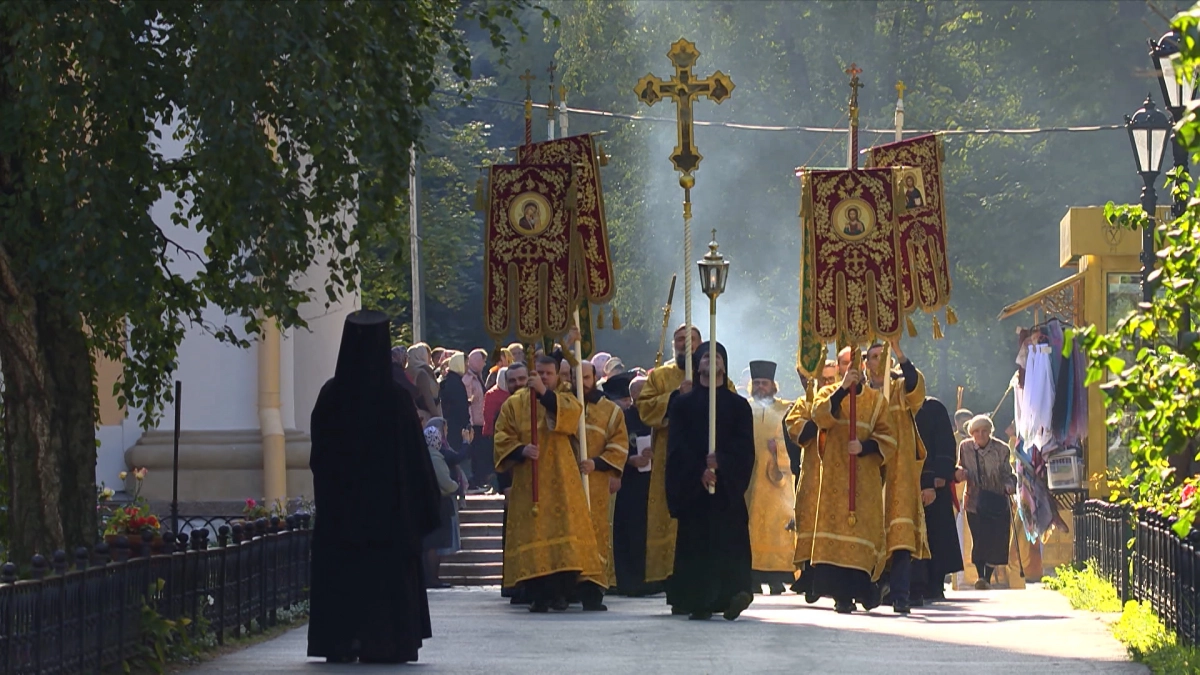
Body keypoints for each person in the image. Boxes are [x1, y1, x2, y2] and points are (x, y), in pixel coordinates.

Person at [308, 310, 439, 664]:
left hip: (342, 519)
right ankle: (386, 643)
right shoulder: (396, 400)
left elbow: (318, 458)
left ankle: (342, 641)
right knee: (386, 584)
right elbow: (416, 462)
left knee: (344, 576)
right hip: (390, 521)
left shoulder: (331, 396)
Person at [493, 355, 603, 612]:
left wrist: (544, 394)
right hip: (529, 483)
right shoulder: (514, 404)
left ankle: (562, 594)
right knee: (534, 537)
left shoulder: (567, 399)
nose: (542, 377)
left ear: (557, 376)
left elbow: (572, 419)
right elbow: (501, 437)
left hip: (562, 483)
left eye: (548, 374)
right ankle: (538, 595)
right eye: (538, 373)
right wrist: (520, 450)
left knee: (564, 536)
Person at [665, 341, 755, 621]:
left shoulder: (739, 406)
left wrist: (723, 464)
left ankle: (734, 596)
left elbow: (745, 448)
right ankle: (699, 601)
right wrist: (698, 471)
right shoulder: (682, 405)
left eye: (716, 356)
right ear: (697, 365)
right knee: (697, 545)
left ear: (724, 365)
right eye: (705, 356)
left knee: (731, 541)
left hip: (726, 491)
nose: (711, 360)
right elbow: (677, 448)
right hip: (696, 493)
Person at [808, 363, 896, 614]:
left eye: (856, 366)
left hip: (864, 479)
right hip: (835, 480)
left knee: (861, 536)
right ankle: (841, 596)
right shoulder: (828, 393)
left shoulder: (876, 400)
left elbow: (889, 437)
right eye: (847, 366)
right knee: (835, 535)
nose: (853, 370)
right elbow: (820, 416)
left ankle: (864, 590)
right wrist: (843, 390)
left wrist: (866, 447)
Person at [637, 324, 707, 606]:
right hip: (671, 458)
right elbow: (645, 409)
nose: (684, 345)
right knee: (670, 522)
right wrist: (676, 395)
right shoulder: (661, 376)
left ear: (700, 344)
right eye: (679, 340)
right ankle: (672, 585)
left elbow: (725, 404)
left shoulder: (714, 375)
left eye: (689, 340)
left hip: (703, 459)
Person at [866, 340, 928, 615]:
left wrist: (901, 354)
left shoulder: (901, 389)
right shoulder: (862, 393)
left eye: (883, 355)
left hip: (899, 474)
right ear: (865, 362)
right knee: (870, 535)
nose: (878, 361)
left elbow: (917, 389)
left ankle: (901, 595)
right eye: (873, 357)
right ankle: (873, 589)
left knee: (901, 536)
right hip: (870, 470)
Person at [576, 360, 630, 597]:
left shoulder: (611, 411)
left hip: (597, 482)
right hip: (567, 482)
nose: (581, 384)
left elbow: (619, 445)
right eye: (576, 378)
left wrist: (596, 463)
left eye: (586, 378)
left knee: (597, 531)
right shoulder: (564, 406)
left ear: (595, 378)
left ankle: (594, 586)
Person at [745, 360, 796, 596]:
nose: (760, 387)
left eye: (764, 383)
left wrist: (779, 454)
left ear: (773, 386)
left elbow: (793, 441)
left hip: (778, 483)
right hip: (750, 480)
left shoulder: (787, 409)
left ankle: (777, 577)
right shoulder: (744, 407)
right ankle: (752, 576)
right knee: (749, 527)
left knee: (778, 527)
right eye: (756, 383)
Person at [956, 414, 1017, 590]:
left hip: (997, 500)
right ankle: (981, 577)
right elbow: (961, 466)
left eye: (985, 431)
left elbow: (1008, 473)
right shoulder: (965, 447)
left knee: (996, 540)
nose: (981, 434)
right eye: (977, 431)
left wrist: (1009, 485)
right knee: (980, 539)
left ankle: (987, 576)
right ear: (971, 433)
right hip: (975, 501)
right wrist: (959, 473)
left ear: (990, 432)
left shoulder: (1002, 449)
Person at [913, 397, 964, 603]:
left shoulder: (932, 407)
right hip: (909, 482)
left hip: (935, 481)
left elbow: (945, 443)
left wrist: (942, 473)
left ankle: (935, 584)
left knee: (937, 534)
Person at [612, 374, 658, 596]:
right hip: (630, 482)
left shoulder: (658, 418)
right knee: (630, 530)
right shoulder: (622, 418)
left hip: (654, 482)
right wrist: (630, 459)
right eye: (637, 396)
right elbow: (615, 445)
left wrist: (656, 453)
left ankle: (653, 578)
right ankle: (630, 581)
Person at [423, 421, 462, 589]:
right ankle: (432, 578)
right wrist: (456, 486)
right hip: (439, 504)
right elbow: (445, 482)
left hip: (428, 503)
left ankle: (430, 577)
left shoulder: (423, 455)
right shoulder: (435, 458)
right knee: (434, 544)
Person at [464, 349, 489, 489]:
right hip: (474, 423)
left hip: (480, 422)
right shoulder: (469, 379)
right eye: (483, 360)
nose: (484, 364)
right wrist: (470, 424)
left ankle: (480, 480)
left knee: (480, 454)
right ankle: (475, 481)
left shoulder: (478, 376)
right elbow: (468, 402)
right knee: (475, 454)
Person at [407, 343, 441, 422]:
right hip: (427, 416)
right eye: (428, 355)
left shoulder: (409, 371)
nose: (430, 358)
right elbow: (428, 397)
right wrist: (437, 417)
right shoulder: (421, 373)